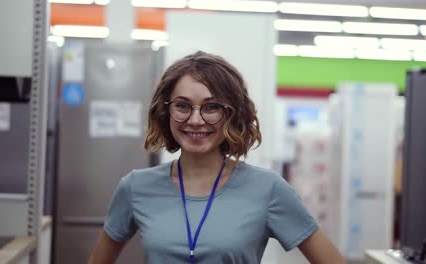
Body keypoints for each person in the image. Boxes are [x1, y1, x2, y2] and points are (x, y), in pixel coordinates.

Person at [89, 51, 345, 264]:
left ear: (233, 114)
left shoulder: (268, 189)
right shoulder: (135, 187)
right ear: (165, 111)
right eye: (182, 105)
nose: (196, 120)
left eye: (212, 107)